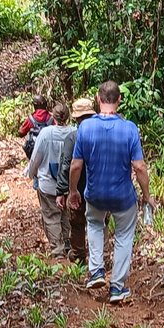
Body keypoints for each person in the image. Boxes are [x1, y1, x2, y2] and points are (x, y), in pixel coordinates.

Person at [66, 81, 151, 303]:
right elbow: (140, 167)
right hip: (123, 197)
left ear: (98, 98)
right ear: (119, 100)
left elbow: (76, 165)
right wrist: (146, 196)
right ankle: (117, 287)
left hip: (94, 194)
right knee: (123, 236)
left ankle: (96, 271)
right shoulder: (129, 128)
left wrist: (73, 191)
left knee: (94, 225)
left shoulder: (85, 128)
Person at [27, 102, 75, 258]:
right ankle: (68, 243)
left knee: (51, 215)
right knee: (66, 213)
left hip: (47, 182)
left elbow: (36, 157)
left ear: (53, 117)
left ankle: (57, 248)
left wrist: (31, 173)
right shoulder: (74, 132)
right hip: (68, 183)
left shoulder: (46, 134)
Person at [57, 97, 96, 261]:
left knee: (78, 224)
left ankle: (79, 256)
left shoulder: (73, 138)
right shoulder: (102, 134)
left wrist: (62, 190)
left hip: (78, 189)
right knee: (98, 224)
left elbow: (67, 165)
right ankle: (97, 257)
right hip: (99, 188)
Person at [18, 94, 53, 158]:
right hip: (49, 151)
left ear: (35, 105)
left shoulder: (31, 118)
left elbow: (21, 133)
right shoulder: (51, 118)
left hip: (34, 152)